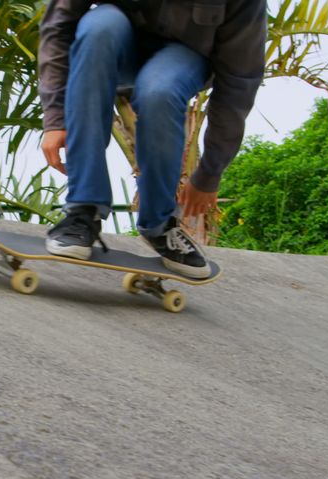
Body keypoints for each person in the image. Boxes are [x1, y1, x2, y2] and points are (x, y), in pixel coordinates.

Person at [38, 0, 266, 278]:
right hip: (114, 40)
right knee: (98, 28)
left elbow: (240, 80)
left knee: (160, 92)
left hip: (184, 56)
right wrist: (55, 119)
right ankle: (83, 210)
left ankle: (160, 225)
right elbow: (58, 26)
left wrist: (209, 173)